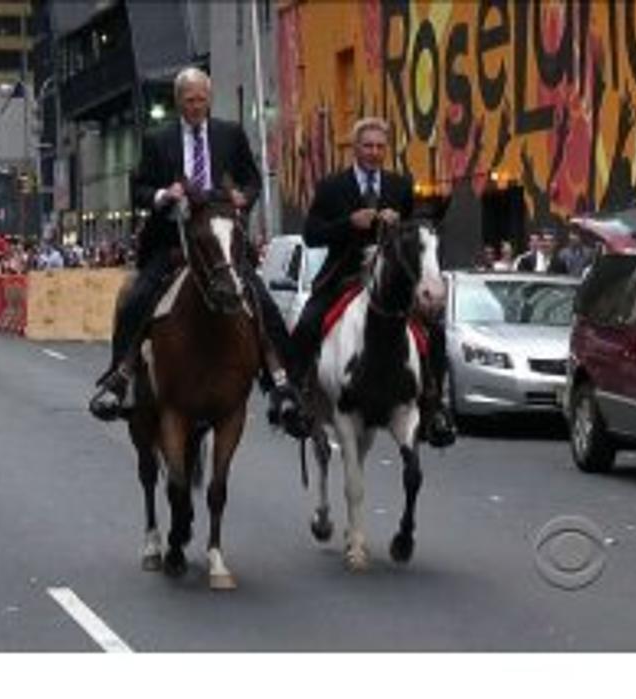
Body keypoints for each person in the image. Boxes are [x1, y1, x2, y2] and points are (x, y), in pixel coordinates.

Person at [88, 66, 303, 431]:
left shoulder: (229, 135)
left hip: (219, 243)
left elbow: (251, 179)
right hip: (173, 241)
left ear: (209, 99)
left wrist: (242, 198)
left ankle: (283, 384)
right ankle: (118, 377)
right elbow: (138, 188)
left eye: (201, 99)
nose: (196, 106)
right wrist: (162, 195)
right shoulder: (159, 140)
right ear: (178, 103)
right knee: (136, 298)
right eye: (189, 100)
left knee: (261, 302)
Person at [287, 117, 455, 447]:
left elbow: (415, 234)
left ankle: (435, 406)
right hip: (344, 274)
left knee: (433, 330)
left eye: (380, 147)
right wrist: (348, 223)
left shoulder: (400, 186)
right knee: (308, 322)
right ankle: (297, 397)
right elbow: (312, 234)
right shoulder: (332, 186)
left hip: (390, 282)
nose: (374, 152)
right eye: (368, 146)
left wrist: (399, 224)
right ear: (355, 148)